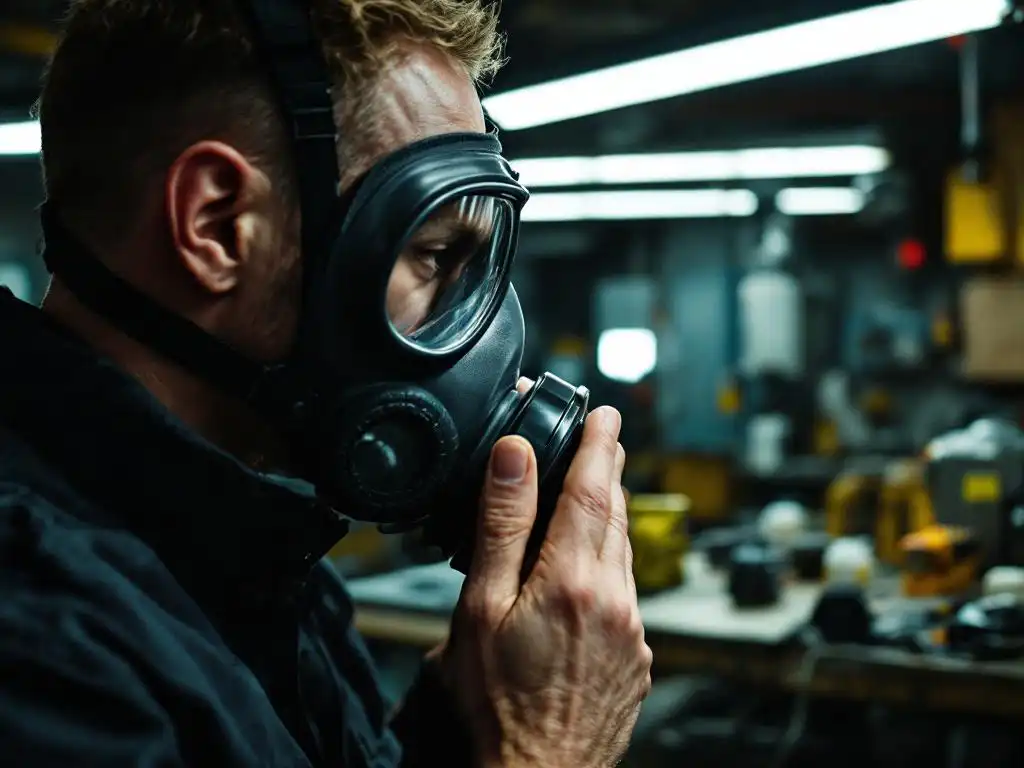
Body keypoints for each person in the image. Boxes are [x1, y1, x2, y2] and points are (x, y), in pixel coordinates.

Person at [0, 1, 652, 767]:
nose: (479, 333)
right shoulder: (38, 638)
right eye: (436, 256)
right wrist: (552, 748)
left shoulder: (258, 552)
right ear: (217, 225)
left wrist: (471, 720)